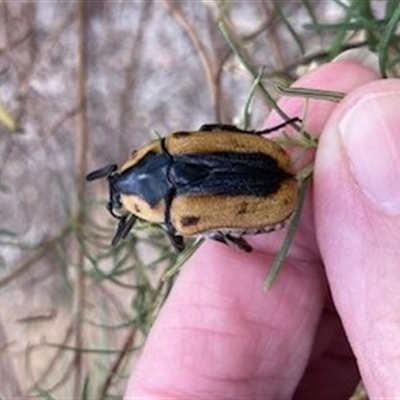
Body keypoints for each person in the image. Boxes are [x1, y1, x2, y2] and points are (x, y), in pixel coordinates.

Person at [124, 50, 400, 399]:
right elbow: (215, 133)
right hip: (271, 177)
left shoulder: (179, 216)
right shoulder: (177, 148)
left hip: (271, 188)